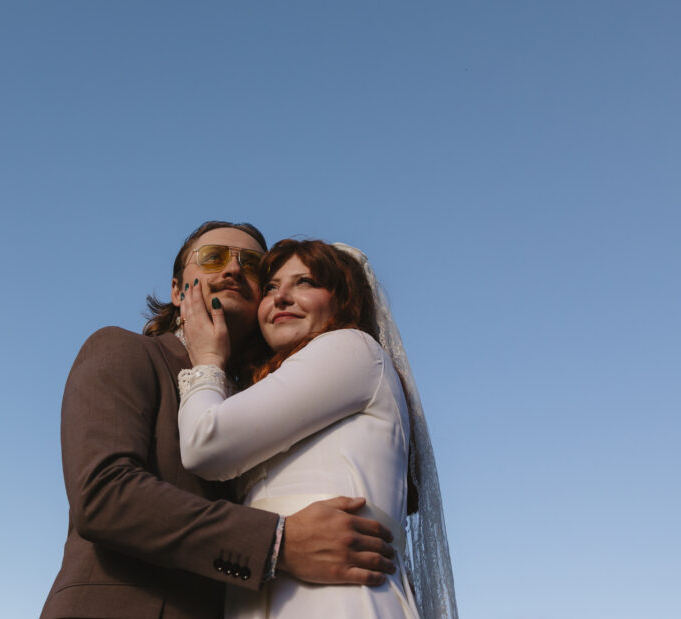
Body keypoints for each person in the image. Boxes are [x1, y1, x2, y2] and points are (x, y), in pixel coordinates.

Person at [41, 222, 399, 619]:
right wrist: (278, 544)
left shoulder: (278, 398)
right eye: (213, 258)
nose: (232, 270)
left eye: (251, 265)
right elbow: (103, 496)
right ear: (178, 291)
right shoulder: (123, 349)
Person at [177, 239, 458, 619]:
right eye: (272, 287)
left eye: (305, 282)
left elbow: (205, 445)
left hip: (339, 599)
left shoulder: (352, 349)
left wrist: (208, 359)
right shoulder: (275, 387)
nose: (281, 298)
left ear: (344, 299)